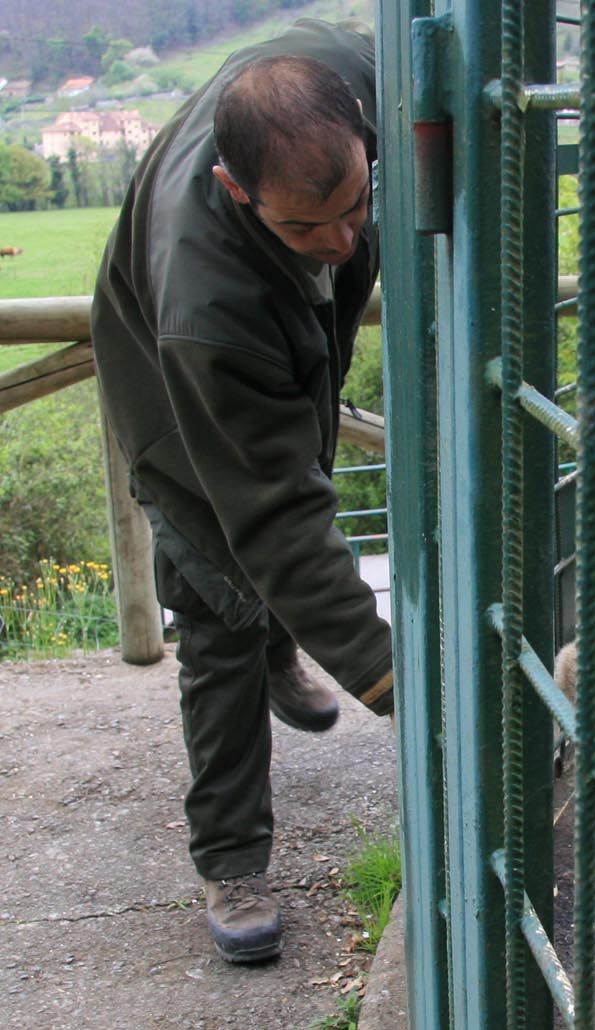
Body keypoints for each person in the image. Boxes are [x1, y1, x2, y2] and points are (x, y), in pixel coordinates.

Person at [90, 18, 393, 965]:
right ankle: (231, 858)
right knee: (217, 596)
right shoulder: (204, 305)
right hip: (169, 393)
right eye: (308, 226)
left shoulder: (355, 73)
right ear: (234, 188)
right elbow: (271, 509)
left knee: (290, 500)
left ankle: (279, 644)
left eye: (357, 204)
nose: (343, 240)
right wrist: (392, 678)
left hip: (269, 355)